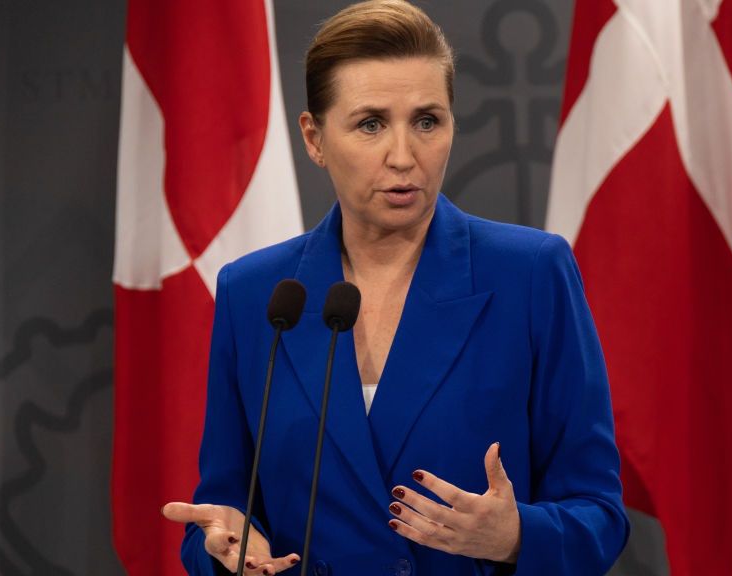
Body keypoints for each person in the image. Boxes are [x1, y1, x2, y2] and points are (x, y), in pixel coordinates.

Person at [162, 1, 629, 574]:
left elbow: (601, 515)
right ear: (314, 138)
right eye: (371, 123)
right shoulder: (256, 293)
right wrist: (226, 551)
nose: (404, 156)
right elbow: (224, 509)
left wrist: (516, 536)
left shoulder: (531, 274)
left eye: (427, 121)